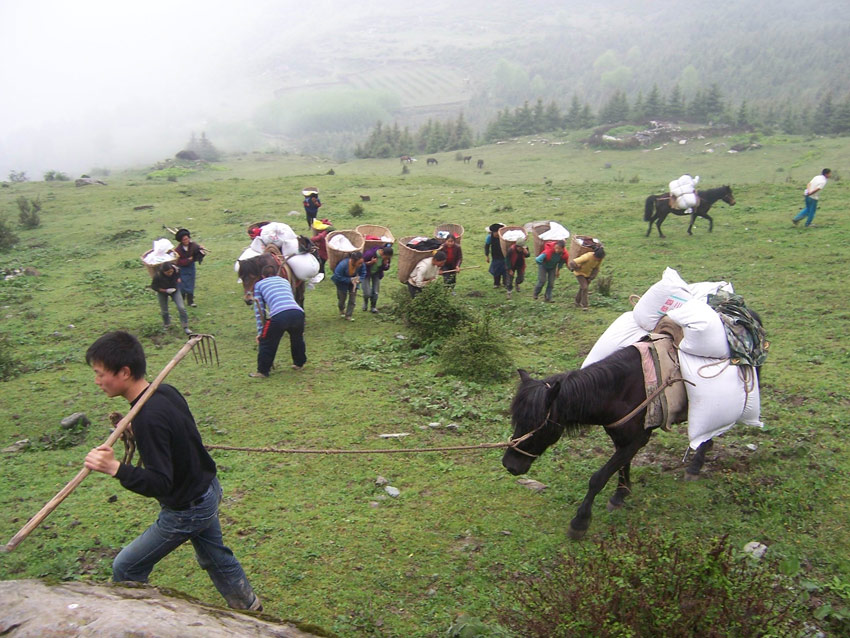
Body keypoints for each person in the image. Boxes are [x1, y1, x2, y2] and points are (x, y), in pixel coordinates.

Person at [83, 331, 261, 610]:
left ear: (125, 372)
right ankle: (250, 608)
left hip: (187, 508)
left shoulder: (148, 417)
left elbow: (159, 483)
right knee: (214, 556)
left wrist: (115, 468)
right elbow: (176, 437)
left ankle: (144, 623)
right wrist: (135, 429)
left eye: (99, 373)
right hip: (207, 488)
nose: (96, 381)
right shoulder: (163, 391)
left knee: (126, 567)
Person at [150, 262, 191, 334]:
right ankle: (167, 325)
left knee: (181, 308)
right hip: (162, 292)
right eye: (168, 272)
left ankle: (185, 326)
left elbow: (179, 274)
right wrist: (165, 290)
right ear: (163, 272)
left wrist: (178, 278)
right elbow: (154, 287)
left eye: (171, 271)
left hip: (175, 290)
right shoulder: (158, 276)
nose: (170, 273)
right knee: (164, 310)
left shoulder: (176, 270)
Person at [174, 228, 205, 307]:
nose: (186, 240)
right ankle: (181, 300)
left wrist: (201, 250)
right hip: (182, 269)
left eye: (187, 238)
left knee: (191, 284)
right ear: (181, 241)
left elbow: (198, 252)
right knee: (183, 285)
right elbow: (177, 261)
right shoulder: (178, 250)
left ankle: (190, 301)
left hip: (191, 268)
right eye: (184, 239)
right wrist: (187, 260)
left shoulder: (193, 245)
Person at [331, 250, 366, 321]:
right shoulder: (342, 265)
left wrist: (359, 280)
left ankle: (348, 315)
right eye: (359, 263)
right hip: (342, 283)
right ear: (353, 260)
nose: (360, 265)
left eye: (361, 263)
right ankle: (341, 309)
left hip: (354, 283)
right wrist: (350, 280)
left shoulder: (362, 264)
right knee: (342, 299)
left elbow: (363, 273)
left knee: (352, 299)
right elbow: (337, 276)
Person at [569, 245, 606, 310]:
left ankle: (577, 302)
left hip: (588, 274)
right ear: (595, 255)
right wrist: (576, 268)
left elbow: (596, 268)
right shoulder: (587, 256)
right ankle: (585, 305)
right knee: (585, 288)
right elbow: (573, 262)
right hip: (580, 273)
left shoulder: (599, 260)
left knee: (582, 288)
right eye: (598, 258)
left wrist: (592, 277)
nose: (599, 260)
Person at [362, 244, 393, 313]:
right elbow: (360, 264)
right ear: (382, 253)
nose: (387, 259)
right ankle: (365, 302)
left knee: (375, 292)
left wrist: (385, 264)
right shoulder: (370, 254)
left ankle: (373, 307)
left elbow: (386, 268)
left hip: (376, 273)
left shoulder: (386, 258)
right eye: (386, 257)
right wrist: (370, 262)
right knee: (367, 293)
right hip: (366, 273)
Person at [484, 223, 507, 288]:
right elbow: (487, 246)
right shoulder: (490, 237)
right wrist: (487, 256)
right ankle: (496, 283)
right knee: (496, 270)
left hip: (504, 256)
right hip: (495, 256)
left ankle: (505, 283)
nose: (497, 234)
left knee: (505, 270)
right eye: (495, 233)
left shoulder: (503, 236)